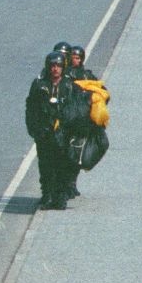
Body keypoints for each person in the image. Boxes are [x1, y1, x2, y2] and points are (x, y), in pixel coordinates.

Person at [25, 51, 82, 211]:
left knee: (63, 165)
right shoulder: (39, 85)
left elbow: (76, 109)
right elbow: (30, 108)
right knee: (46, 166)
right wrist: (34, 129)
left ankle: (61, 197)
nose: (55, 69)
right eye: (52, 66)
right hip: (45, 134)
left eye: (58, 66)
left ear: (63, 67)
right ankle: (47, 196)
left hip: (64, 135)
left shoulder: (70, 86)